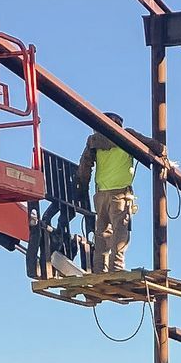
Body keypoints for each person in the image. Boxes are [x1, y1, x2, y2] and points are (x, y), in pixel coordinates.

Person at [78, 113, 138, 272]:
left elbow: (85, 166)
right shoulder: (127, 137)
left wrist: (82, 187)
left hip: (101, 194)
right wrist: (163, 153)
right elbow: (150, 145)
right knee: (120, 231)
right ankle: (116, 267)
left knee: (102, 233)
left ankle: (99, 268)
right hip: (120, 193)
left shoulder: (94, 141)